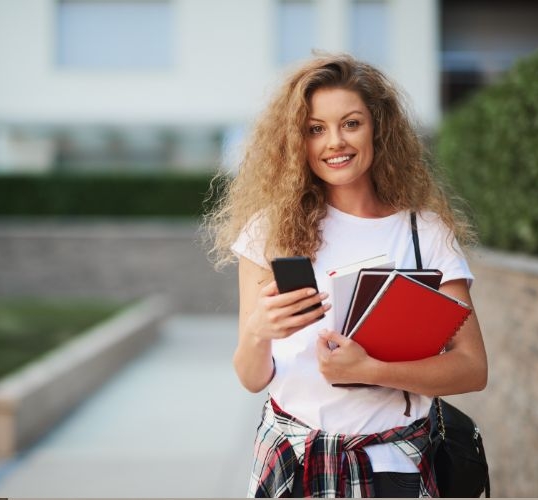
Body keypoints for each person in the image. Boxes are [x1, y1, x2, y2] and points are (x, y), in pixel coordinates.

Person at [204, 53, 488, 498]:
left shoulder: (424, 235)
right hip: (292, 460)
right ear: (297, 140)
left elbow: (472, 369)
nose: (334, 141)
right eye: (316, 129)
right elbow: (251, 376)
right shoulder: (270, 231)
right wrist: (258, 332)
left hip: (395, 462)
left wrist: (372, 370)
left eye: (350, 123)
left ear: (378, 127)